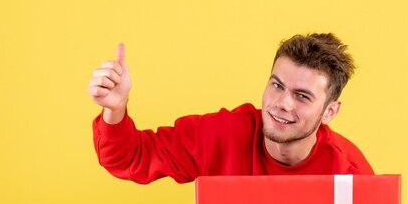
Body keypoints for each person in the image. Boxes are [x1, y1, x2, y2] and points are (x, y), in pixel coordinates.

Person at [88, 33, 374, 184]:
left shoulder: (350, 173)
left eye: (302, 96)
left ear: (330, 112)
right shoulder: (221, 136)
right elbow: (129, 158)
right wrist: (116, 109)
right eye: (277, 86)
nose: (282, 103)